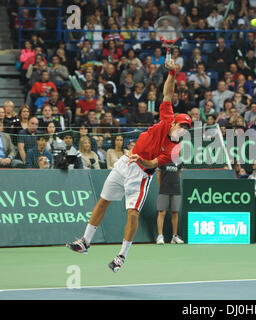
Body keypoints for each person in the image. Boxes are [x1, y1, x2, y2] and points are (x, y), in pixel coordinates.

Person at [66, 60, 192, 273]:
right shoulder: (166, 117)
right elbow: (168, 94)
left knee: (133, 213)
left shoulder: (175, 149)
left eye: (186, 128)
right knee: (103, 201)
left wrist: (140, 160)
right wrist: (172, 72)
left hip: (141, 174)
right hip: (125, 162)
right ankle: (85, 242)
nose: (183, 130)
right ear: (173, 123)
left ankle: (121, 257)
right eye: (182, 125)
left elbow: (152, 163)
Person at [156, 161, 184, 245]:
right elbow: (158, 175)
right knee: (162, 212)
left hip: (176, 190)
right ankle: (160, 236)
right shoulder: (162, 160)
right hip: (164, 190)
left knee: (175, 212)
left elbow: (179, 174)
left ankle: (174, 236)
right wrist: (162, 187)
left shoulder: (179, 161)